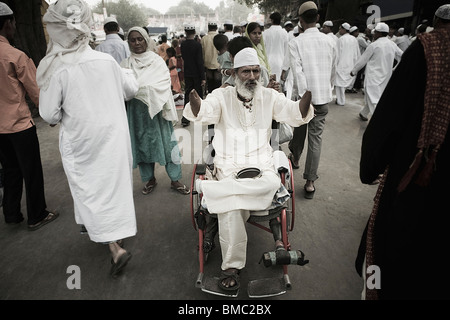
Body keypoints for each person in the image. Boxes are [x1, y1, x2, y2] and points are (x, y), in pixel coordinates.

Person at [184, 47, 314, 290]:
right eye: (246, 72)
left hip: (260, 161)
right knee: (233, 209)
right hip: (228, 162)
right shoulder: (221, 95)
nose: (252, 76)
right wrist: (196, 103)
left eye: (255, 71)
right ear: (234, 74)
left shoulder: (269, 96)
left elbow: (292, 112)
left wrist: (304, 104)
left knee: (270, 183)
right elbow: (204, 111)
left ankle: (219, 193)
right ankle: (232, 266)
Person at [355, 4, 450, 300]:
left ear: (435, 22)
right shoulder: (403, 47)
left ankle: (376, 290)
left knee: (387, 251)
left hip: (415, 174)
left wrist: (371, 166)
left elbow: (390, 119)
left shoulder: (427, 49)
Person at [37, 0, 138, 276]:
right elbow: (131, 89)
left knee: (90, 189)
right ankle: (114, 233)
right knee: (113, 186)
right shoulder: (105, 60)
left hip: (81, 141)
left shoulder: (55, 67)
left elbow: (48, 114)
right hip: (113, 136)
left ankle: (114, 246)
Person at [0, 2, 58, 230]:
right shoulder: (15, 55)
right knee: (31, 170)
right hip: (19, 125)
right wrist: (50, 115)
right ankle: (37, 215)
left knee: (10, 170)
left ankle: (12, 213)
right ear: (8, 24)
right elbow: (36, 91)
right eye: (13, 23)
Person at [121, 27, 190, 196]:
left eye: (140, 39)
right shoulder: (125, 65)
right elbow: (123, 89)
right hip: (136, 114)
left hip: (158, 111)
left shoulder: (157, 61)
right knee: (142, 146)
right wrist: (142, 90)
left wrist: (141, 89)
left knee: (168, 145)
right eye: (133, 40)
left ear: (146, 40)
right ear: (128, 42)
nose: (137, 43)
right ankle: (150, 179)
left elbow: (164, 84)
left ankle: (175, 180)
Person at [288, 1, 337, 199]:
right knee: (316, 139)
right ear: (318, 18)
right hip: (323, 97)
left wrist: (303, 96)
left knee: (299, 129)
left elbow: (297, 72)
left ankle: (296, 158)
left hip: (305, 97)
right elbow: (333, 69)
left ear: (300, 20)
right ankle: (309, 182)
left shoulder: (296, 42)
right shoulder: (330, 41)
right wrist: (328, 89)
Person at [351, 22, 403, 121]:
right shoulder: (392, 44)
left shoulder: (374, 45)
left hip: (373, 76)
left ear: (379, 33)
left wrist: (353, 71)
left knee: (373, 99)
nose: (373, 34)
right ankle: (364, 113)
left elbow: (363, 59)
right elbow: (403, 56)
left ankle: (378, 122)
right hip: (385, 76)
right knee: (375, 97)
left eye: (375, 33)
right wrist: (394, 69)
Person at [181, 24, 206, 127]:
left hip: (187, 72)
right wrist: (203, 77)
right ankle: (200, 116)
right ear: (194, 32)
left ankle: (185, 118)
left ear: (186, 32)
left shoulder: (183, 44)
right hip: (196, 73)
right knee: (198, 95)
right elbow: (199, 61)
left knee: (188, 94)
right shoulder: (197, 45)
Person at [334, 22, 360, 105]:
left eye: (340, 29)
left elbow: (337, 54)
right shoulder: (354, 39)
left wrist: (335, 64)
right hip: (351, 64)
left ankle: (341, 100)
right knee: (343, 83)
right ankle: (340, 99)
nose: (339, 31)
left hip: (341, 64)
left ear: (344, 29)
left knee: (339, 83)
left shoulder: (341, 39)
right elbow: (357, 53)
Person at [263, 12, 289, 81]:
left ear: (272, 20)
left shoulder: (266, 33)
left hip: (267, 63)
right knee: (277, 87)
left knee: (268, 85)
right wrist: (285, 69)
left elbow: (263, 49)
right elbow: (287, 52)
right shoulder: (284, 33)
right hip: (280, 63)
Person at [201, 22, 221, 95]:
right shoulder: (220, 37)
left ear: (208, 28)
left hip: (207, 64)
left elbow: (202, 52)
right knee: (218, 85)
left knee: (210, 85)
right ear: (216, 28)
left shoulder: (204, 39)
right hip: (218, 64)